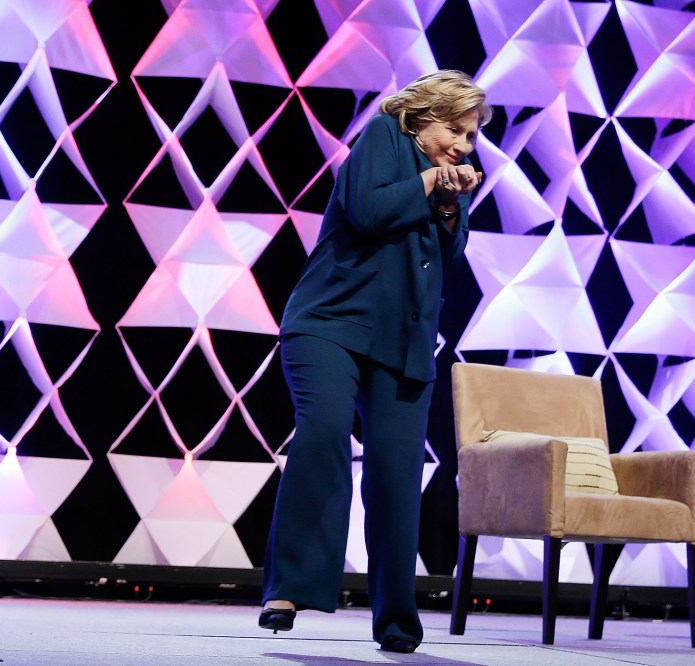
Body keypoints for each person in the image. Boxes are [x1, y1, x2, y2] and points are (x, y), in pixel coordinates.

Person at [258, 70, 492, 654]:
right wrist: (433, 180)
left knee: (396, 477)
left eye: (470, 137)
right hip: (330, 324)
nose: (464, 145)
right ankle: (291, 588)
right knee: (324, 432)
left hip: (405, 342)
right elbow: (367, 209)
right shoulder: (385, 136)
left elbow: (447, 258)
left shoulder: (447, 182)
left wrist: (449, 206)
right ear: (424, 117)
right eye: (456, 130)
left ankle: (396, 620)